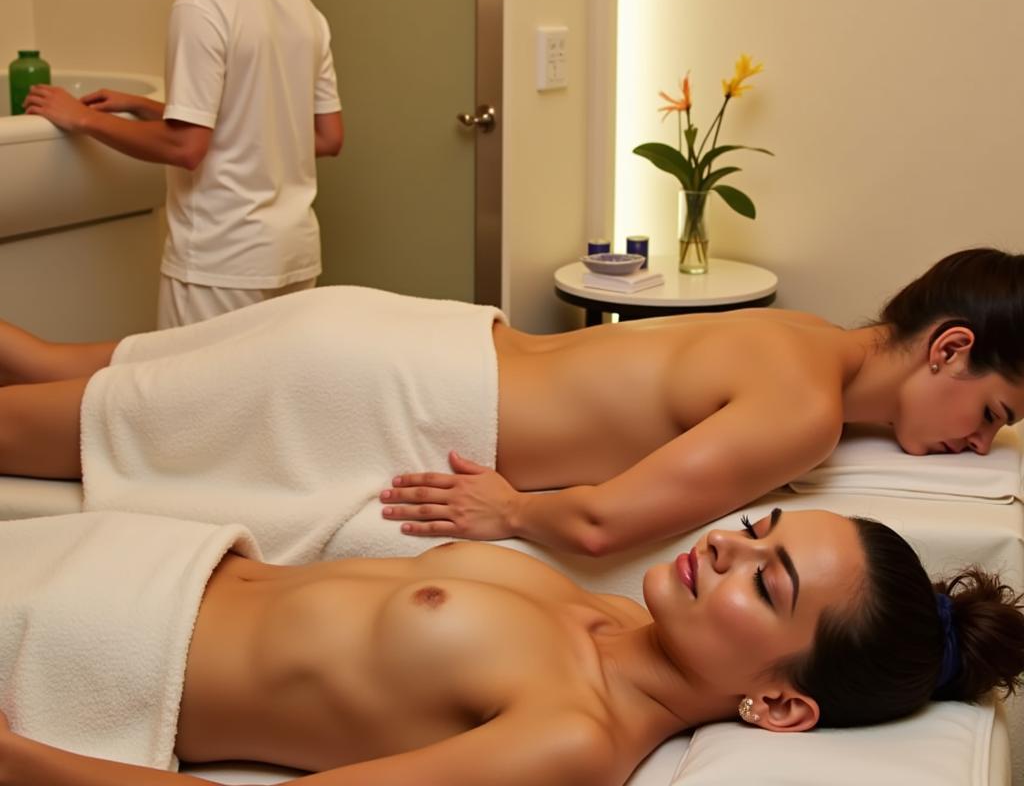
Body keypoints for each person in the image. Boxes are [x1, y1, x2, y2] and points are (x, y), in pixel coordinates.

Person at [2, 248, 1024, 562]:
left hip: (402, 337)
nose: (977, 447)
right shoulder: (800, 404)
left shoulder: (803, 332)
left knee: (54, 365)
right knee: (33, 432)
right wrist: (513, 512)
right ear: (949, 347)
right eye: (992, 414)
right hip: (377, 395)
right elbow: (598, 522)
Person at [1, 507, 1022, 785]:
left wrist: (23, 761)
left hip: (93, 647)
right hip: (139, 557)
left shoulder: (572, 741)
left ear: (777, 703)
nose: (725, 546)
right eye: (757, 528)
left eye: (766, 579)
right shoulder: (624, 621)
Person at [24, 0, 344, 329]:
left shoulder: (203, 5)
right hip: (292, 258)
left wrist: (80, 117)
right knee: (269, 403)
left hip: (220, 267)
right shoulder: (302, 7)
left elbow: (186, 147)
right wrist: (154, 108)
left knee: (194, 407)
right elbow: (325, 136)